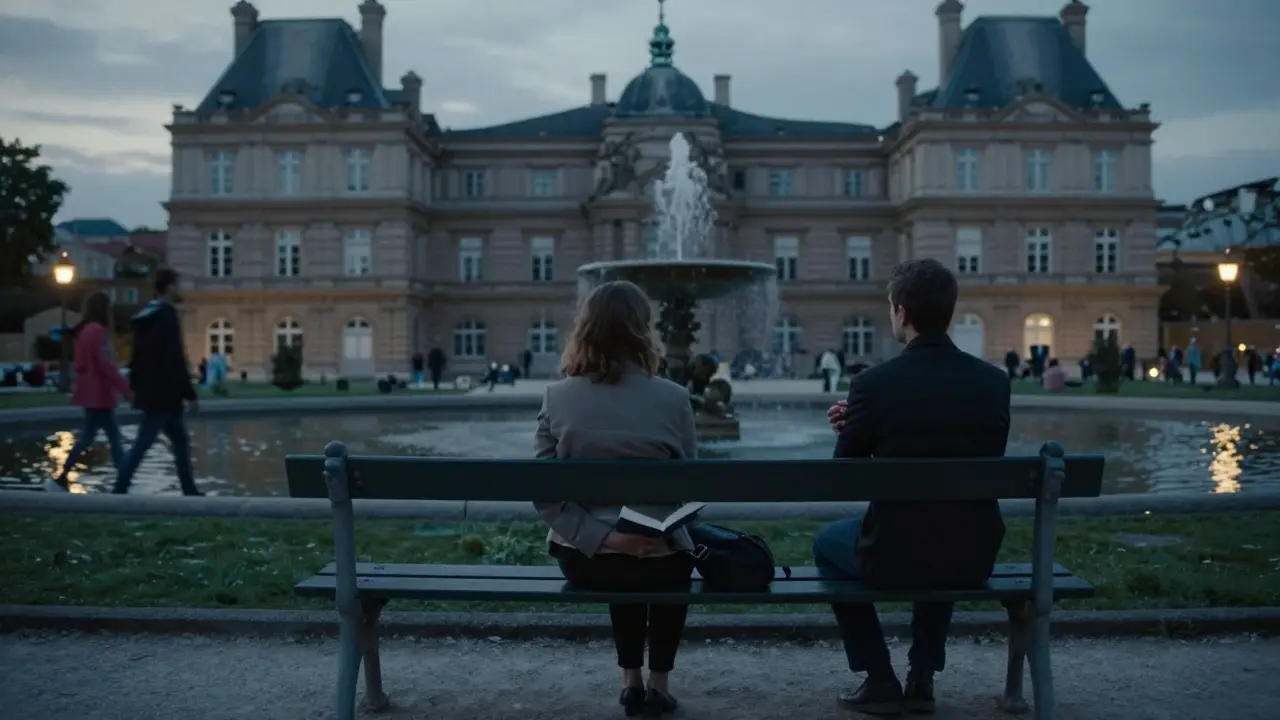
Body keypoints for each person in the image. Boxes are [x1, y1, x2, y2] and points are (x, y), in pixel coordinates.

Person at [818, 259, 1009, 715]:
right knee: (945, 523)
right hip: (972, 553)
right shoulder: (993, 382)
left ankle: (878, 676)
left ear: (901, 313)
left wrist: (852, 427)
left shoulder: (873, 383)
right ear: (948, 311)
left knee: (828, 545)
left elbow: (845, 473)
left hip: (892, 551)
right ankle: (921, 676)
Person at [533, 280, 697, 718]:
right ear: (644, 330)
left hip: (586, 557)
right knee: (667, 563)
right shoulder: (675, 399)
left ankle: (630, 681)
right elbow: (690, 486)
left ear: (585, 329)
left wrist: (605, 538)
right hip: (660, 554)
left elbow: (544, 493)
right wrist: (639, 535)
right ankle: (658, 684)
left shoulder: (557, 397)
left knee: (623, 567)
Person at [113, 269, 202, 496]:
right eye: (178, 285)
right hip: (166, 394)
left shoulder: (146, 315)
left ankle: (189, 490)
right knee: (145, 444)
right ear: (170, 287)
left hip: (152, 391)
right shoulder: (167, 315)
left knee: (178, 442)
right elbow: (174, 357)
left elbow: (137, 358)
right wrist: (189, 393)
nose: (181, 290)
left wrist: (136, 387)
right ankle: (118, 489)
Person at [47, 291, 133, 491]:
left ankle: (122, 481)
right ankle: (121, 482)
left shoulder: (85, 331)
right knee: (102, 438)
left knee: (106, 437)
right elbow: (105, 365)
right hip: (99, 394)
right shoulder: (97, 332)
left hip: (91, 393)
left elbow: (85, 364)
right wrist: (126, 390)